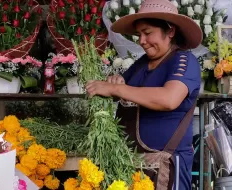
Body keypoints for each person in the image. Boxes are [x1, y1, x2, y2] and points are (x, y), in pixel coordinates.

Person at [85, 0, 202, 189]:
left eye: (147, 33)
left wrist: (117, 89)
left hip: (167, 169)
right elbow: (121, 89)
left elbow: (169, 99)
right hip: (132, 166)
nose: (141, 41)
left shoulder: (184, 61)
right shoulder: (141, 64)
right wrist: (115, 82)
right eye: (139, 34)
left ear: (170, 31)